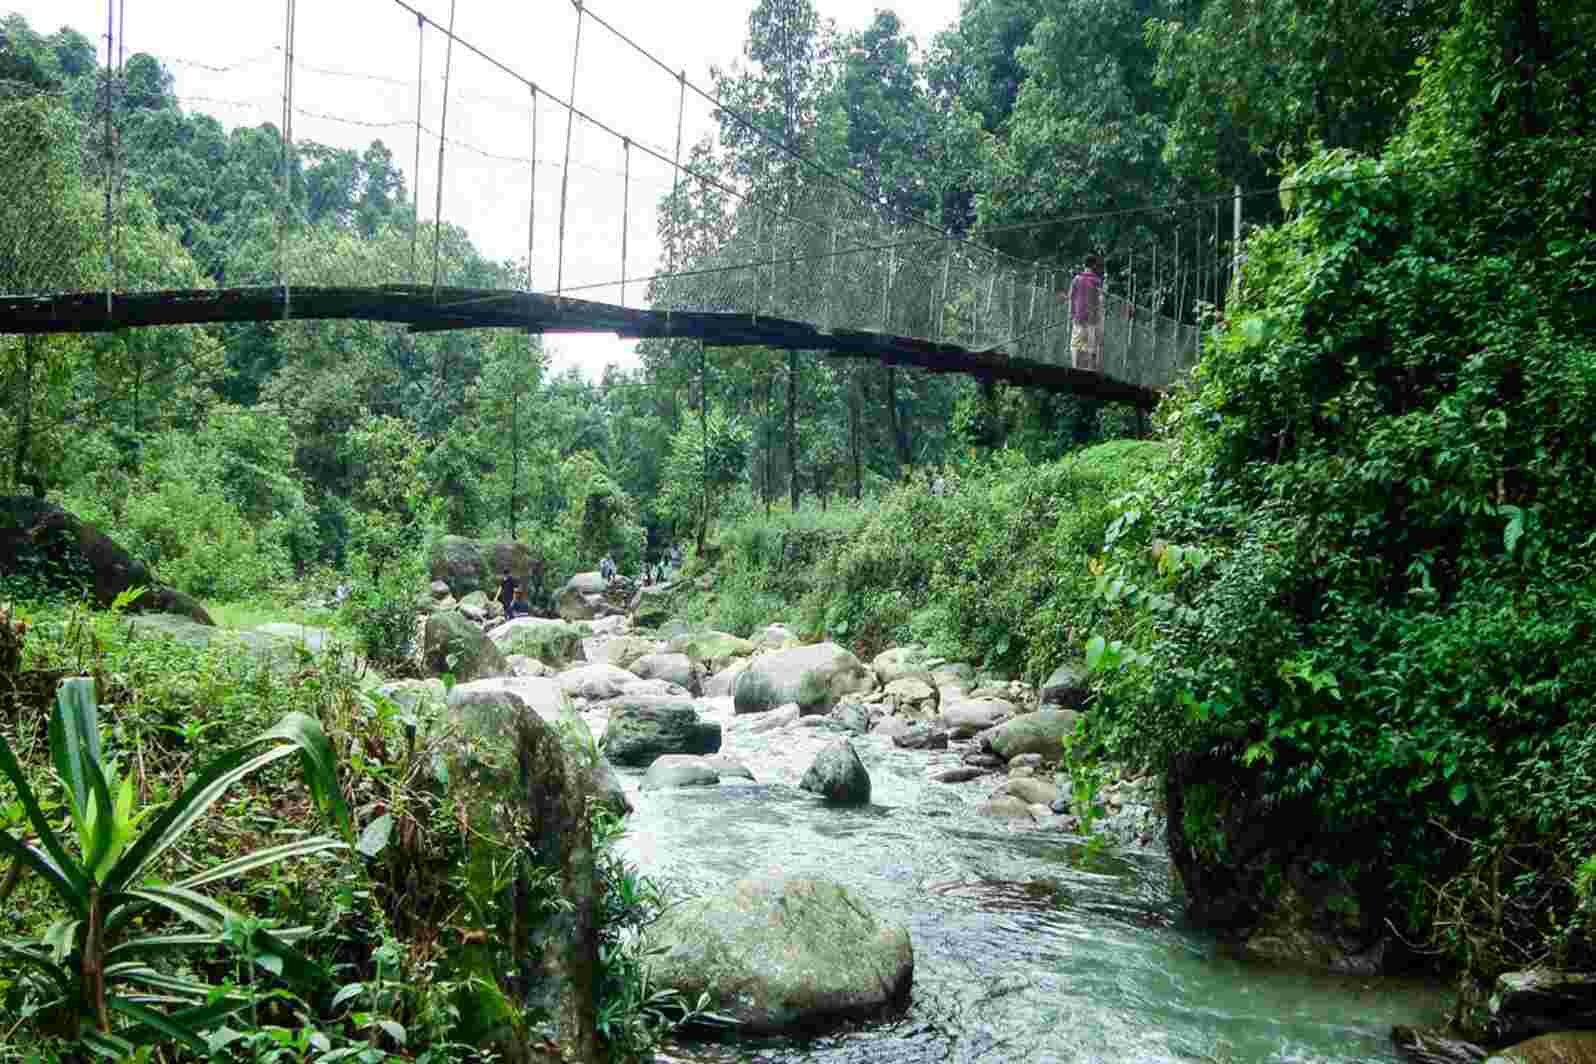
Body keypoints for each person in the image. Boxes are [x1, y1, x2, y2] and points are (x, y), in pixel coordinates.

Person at [1064, 254, 1105, 372]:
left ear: (1084, 265)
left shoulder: (1076, 279)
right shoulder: (1097, 281)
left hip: (1078, 319)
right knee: (1091, 349)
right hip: (1092, 321)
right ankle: (1090, 374)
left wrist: (1072, 314)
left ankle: (1075, 371)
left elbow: (1070, 297)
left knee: (1075, 346)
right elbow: (1100, 302)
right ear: (1094, 266)